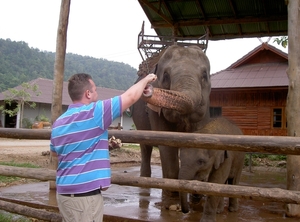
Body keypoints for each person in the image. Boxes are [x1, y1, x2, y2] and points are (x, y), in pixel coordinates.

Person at [50, 72, 157, 222]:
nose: (97, 93)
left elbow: (55, 153)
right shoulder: (95, 112)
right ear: (88, 93)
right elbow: (130, 97)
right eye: (95, 89)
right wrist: (146, 79)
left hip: (63, 194)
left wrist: (98, 145)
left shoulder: (59, 122)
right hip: (84, 197)